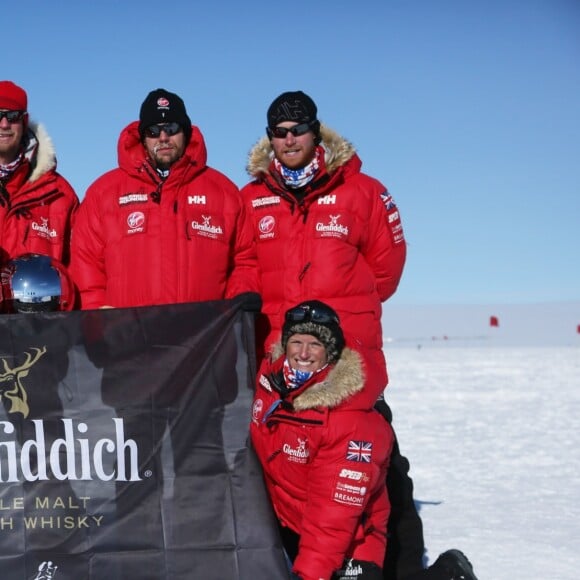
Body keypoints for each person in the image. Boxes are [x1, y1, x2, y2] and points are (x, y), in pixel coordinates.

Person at [241, 91, 477, 580]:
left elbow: (386, 273)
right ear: (270, 139)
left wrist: (338, 325)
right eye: (279, 133)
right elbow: (242, 270)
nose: (289, 140)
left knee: (379, 468)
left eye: (298, 130)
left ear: (316, 131)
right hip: (281, 363)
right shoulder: (252, 199)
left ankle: (410, 570)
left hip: (349, 364)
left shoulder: (363, 192)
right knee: (287, 469)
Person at [70, 88, 258, 309]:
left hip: (203, 337)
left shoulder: (224, 193)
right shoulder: (103, 194)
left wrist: (239, 300)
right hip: (127, 338)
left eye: (171, 128)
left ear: (185, 132)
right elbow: (86, 266)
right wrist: (100, 322)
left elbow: (244, 260)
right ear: (142, 138)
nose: (163, 137)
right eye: (153, 131)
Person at [250, 300, 394, 580]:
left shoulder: (351, 421)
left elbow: (333, 517)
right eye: (296, 341)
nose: (303, 353)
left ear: (330, 350)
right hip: (290, 525)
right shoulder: (271, 384)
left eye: (315, 344)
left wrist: (309, 574)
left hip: (350, 542)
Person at [0, 81, 78, 267]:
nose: (4, 124)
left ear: (24, 121)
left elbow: (80, 270)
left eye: (12, 116)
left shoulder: (60, 194)